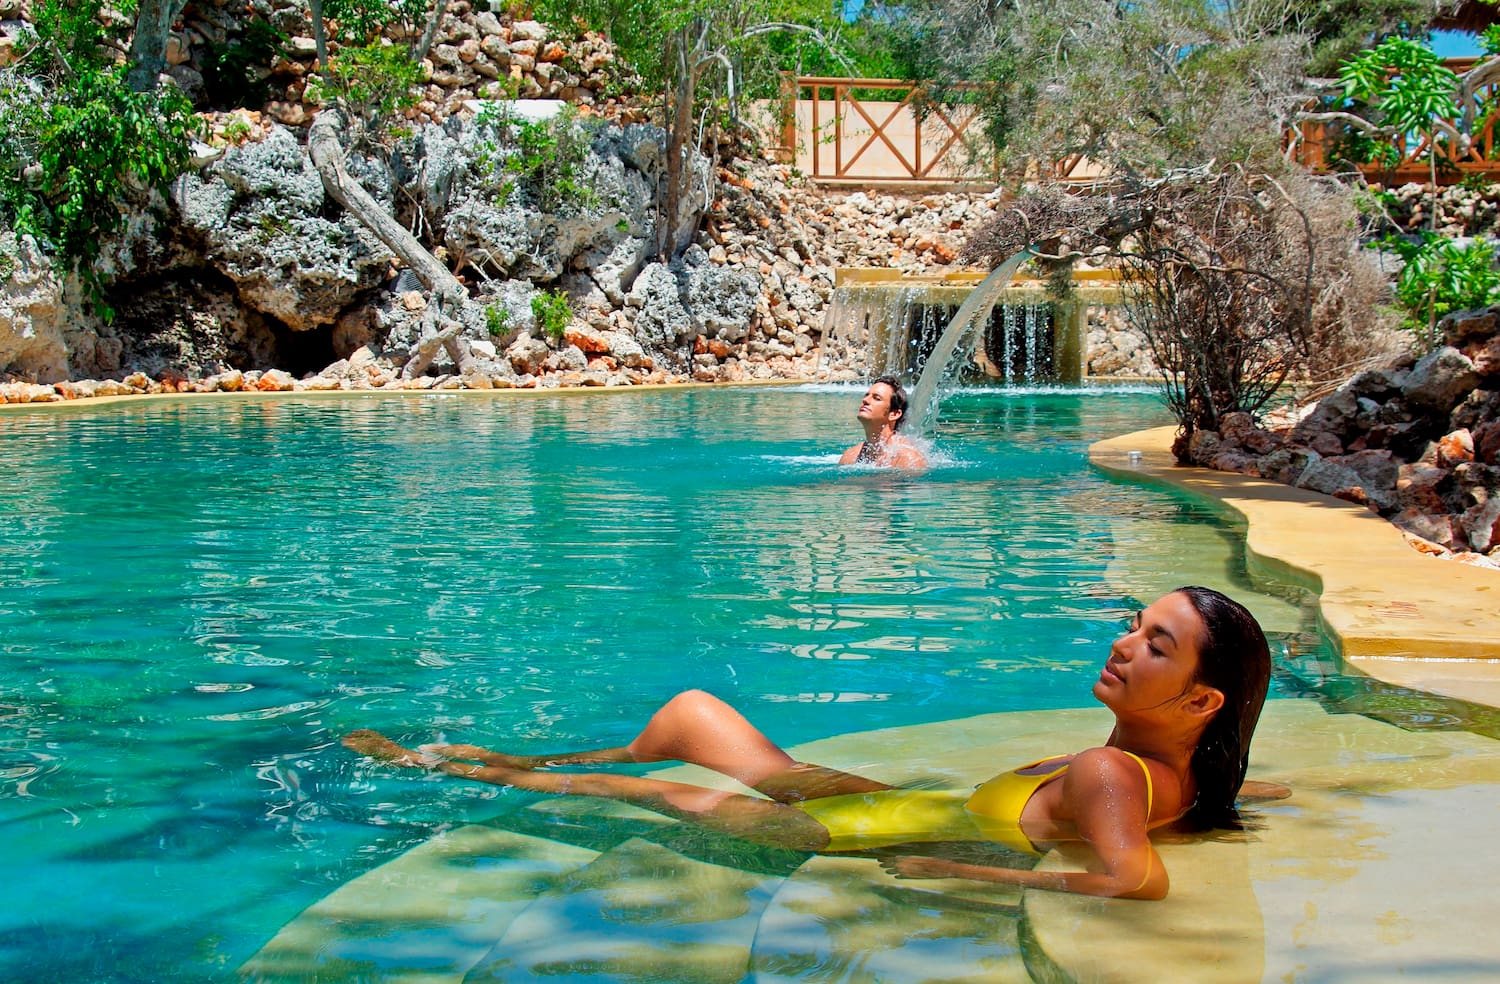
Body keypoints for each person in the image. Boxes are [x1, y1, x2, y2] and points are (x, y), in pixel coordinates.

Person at [344, 586, 1273, 900]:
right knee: (693, 716)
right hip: (887, 803)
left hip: (850, 834)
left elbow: (1132, 880)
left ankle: (460, 766)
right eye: (1134, 623)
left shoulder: (1112, 771)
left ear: (1201, 700)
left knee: (657, 790)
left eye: (1157, 646)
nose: (1124, 643)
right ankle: (532, 761)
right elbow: (1165, 815)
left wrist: (957, 873)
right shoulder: (1176, 774)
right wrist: (1251, 797)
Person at [839, 375, 928, 469]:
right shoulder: (850, 457)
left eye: (876, 398)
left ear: (894, 414)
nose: (865, 400)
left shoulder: (908, 460)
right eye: (867, 395)